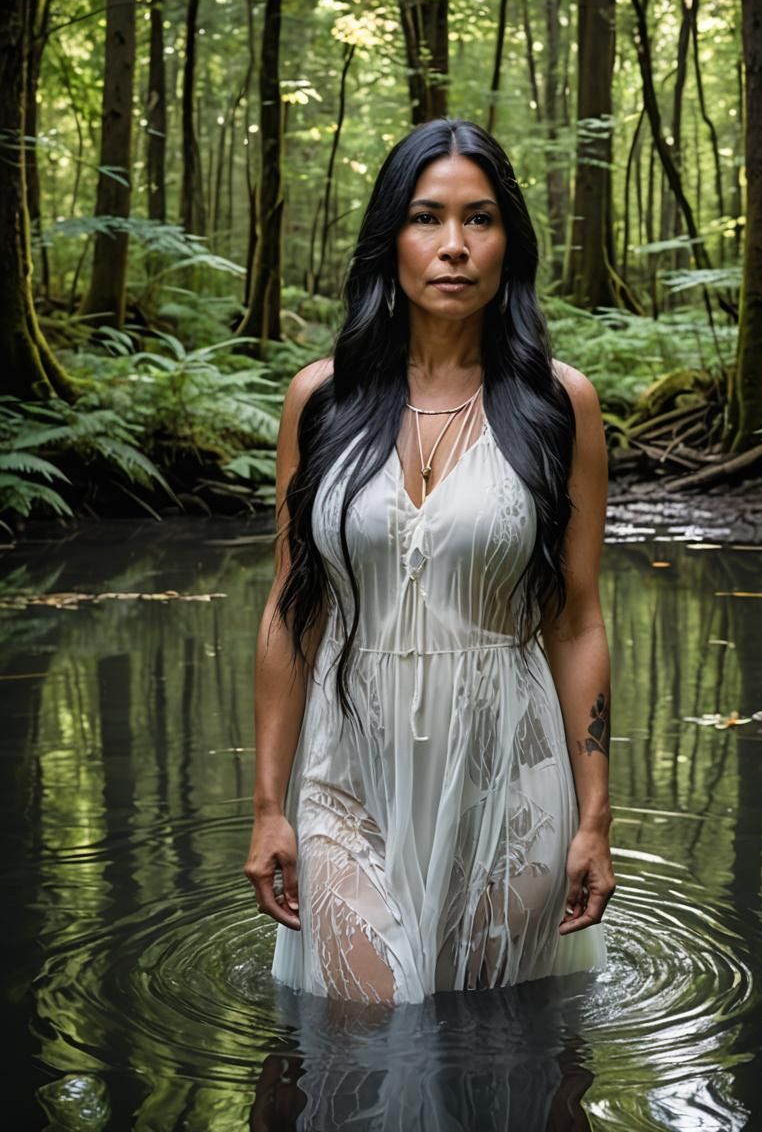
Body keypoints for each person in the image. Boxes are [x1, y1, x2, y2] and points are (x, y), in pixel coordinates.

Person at [244, 117, 616, 1007]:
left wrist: (595, 814)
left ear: (508, 242)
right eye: (427, 217)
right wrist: (267, 803)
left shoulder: (561, 406)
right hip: (349, 780)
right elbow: (291, 610)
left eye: (479, 219)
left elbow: (575, 620)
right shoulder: (322, 401)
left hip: (511, 783)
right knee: (365, 1039)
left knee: (490, 1057)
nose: (454, 246)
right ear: (391, 240)